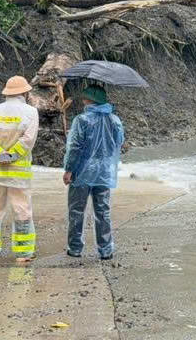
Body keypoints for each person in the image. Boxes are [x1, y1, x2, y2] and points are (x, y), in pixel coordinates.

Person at [0, 75, 39, 262]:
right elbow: (28, 140)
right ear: (25, 93)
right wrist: (11, 155)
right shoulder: (31, 112)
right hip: (18, 174)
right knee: (21, 210)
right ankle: (23, 253)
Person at [62, 85, 124, 260]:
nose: (83, 100)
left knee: (76, 211)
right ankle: (106, 250)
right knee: (103, 211)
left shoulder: (81, 120)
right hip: (104, 171)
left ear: (89, 100)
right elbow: (118, 142)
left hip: (81, 171)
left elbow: (74, 147)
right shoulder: (115, 120)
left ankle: (75, 248)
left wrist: (69, 170)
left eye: (85, 97)